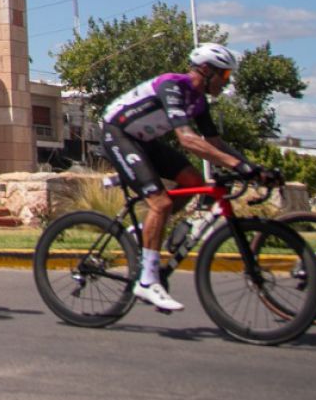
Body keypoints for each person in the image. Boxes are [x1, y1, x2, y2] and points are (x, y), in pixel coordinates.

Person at [98, 42, 258, 312]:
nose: (227, 82)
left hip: (144, 141)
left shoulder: (199, 101)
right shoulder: (172, 86)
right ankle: (147, 282)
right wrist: (236, 165)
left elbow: (215, 143)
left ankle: (140, 234)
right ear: (206, 70)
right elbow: (187, 139)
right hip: (118, 133)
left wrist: (252, 167)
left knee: (194, 183)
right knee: (160, 203)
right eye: (226, 75)